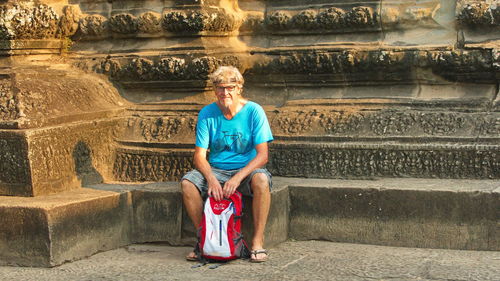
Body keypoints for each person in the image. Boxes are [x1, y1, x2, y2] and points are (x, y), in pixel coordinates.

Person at [180, 66, 273, 263]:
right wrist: (211, 179)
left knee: (262, 180)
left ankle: (257, 241)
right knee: (188, 183)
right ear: (215, 90)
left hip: (246, 170)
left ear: (239, 88)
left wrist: (237, 178)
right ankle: (203, 240)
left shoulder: (254, 111)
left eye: (230, 87)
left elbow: (263, 155)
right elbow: (199, 156)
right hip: (216, 169)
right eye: (220, 88)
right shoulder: (207, 113)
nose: (225, 92)